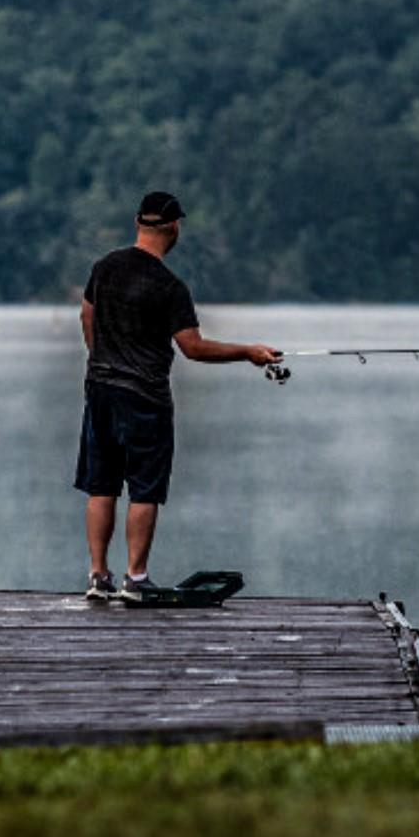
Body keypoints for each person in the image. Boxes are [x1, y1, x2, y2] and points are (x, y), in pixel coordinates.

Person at [75, 191, 281, 602]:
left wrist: (100, 358)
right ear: (173, 227)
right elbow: (193, 347)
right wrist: (248, 352)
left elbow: (86, 314)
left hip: (100, 388)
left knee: (102, 484)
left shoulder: (105, 267)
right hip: (145, 397)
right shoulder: (169, 287)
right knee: (144, 488)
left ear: (138, 222)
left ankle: (98, 577)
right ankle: (135, 578)